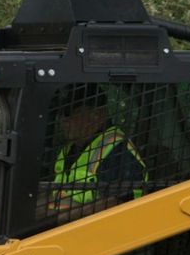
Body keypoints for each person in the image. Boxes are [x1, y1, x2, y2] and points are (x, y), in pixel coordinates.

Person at [48, 83, 147, 218]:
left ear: (97, 114)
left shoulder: (116, 149)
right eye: (61, 113)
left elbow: (120, 203)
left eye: (69, 112)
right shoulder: (69, 150)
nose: (63, 120)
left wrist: (62, 218)